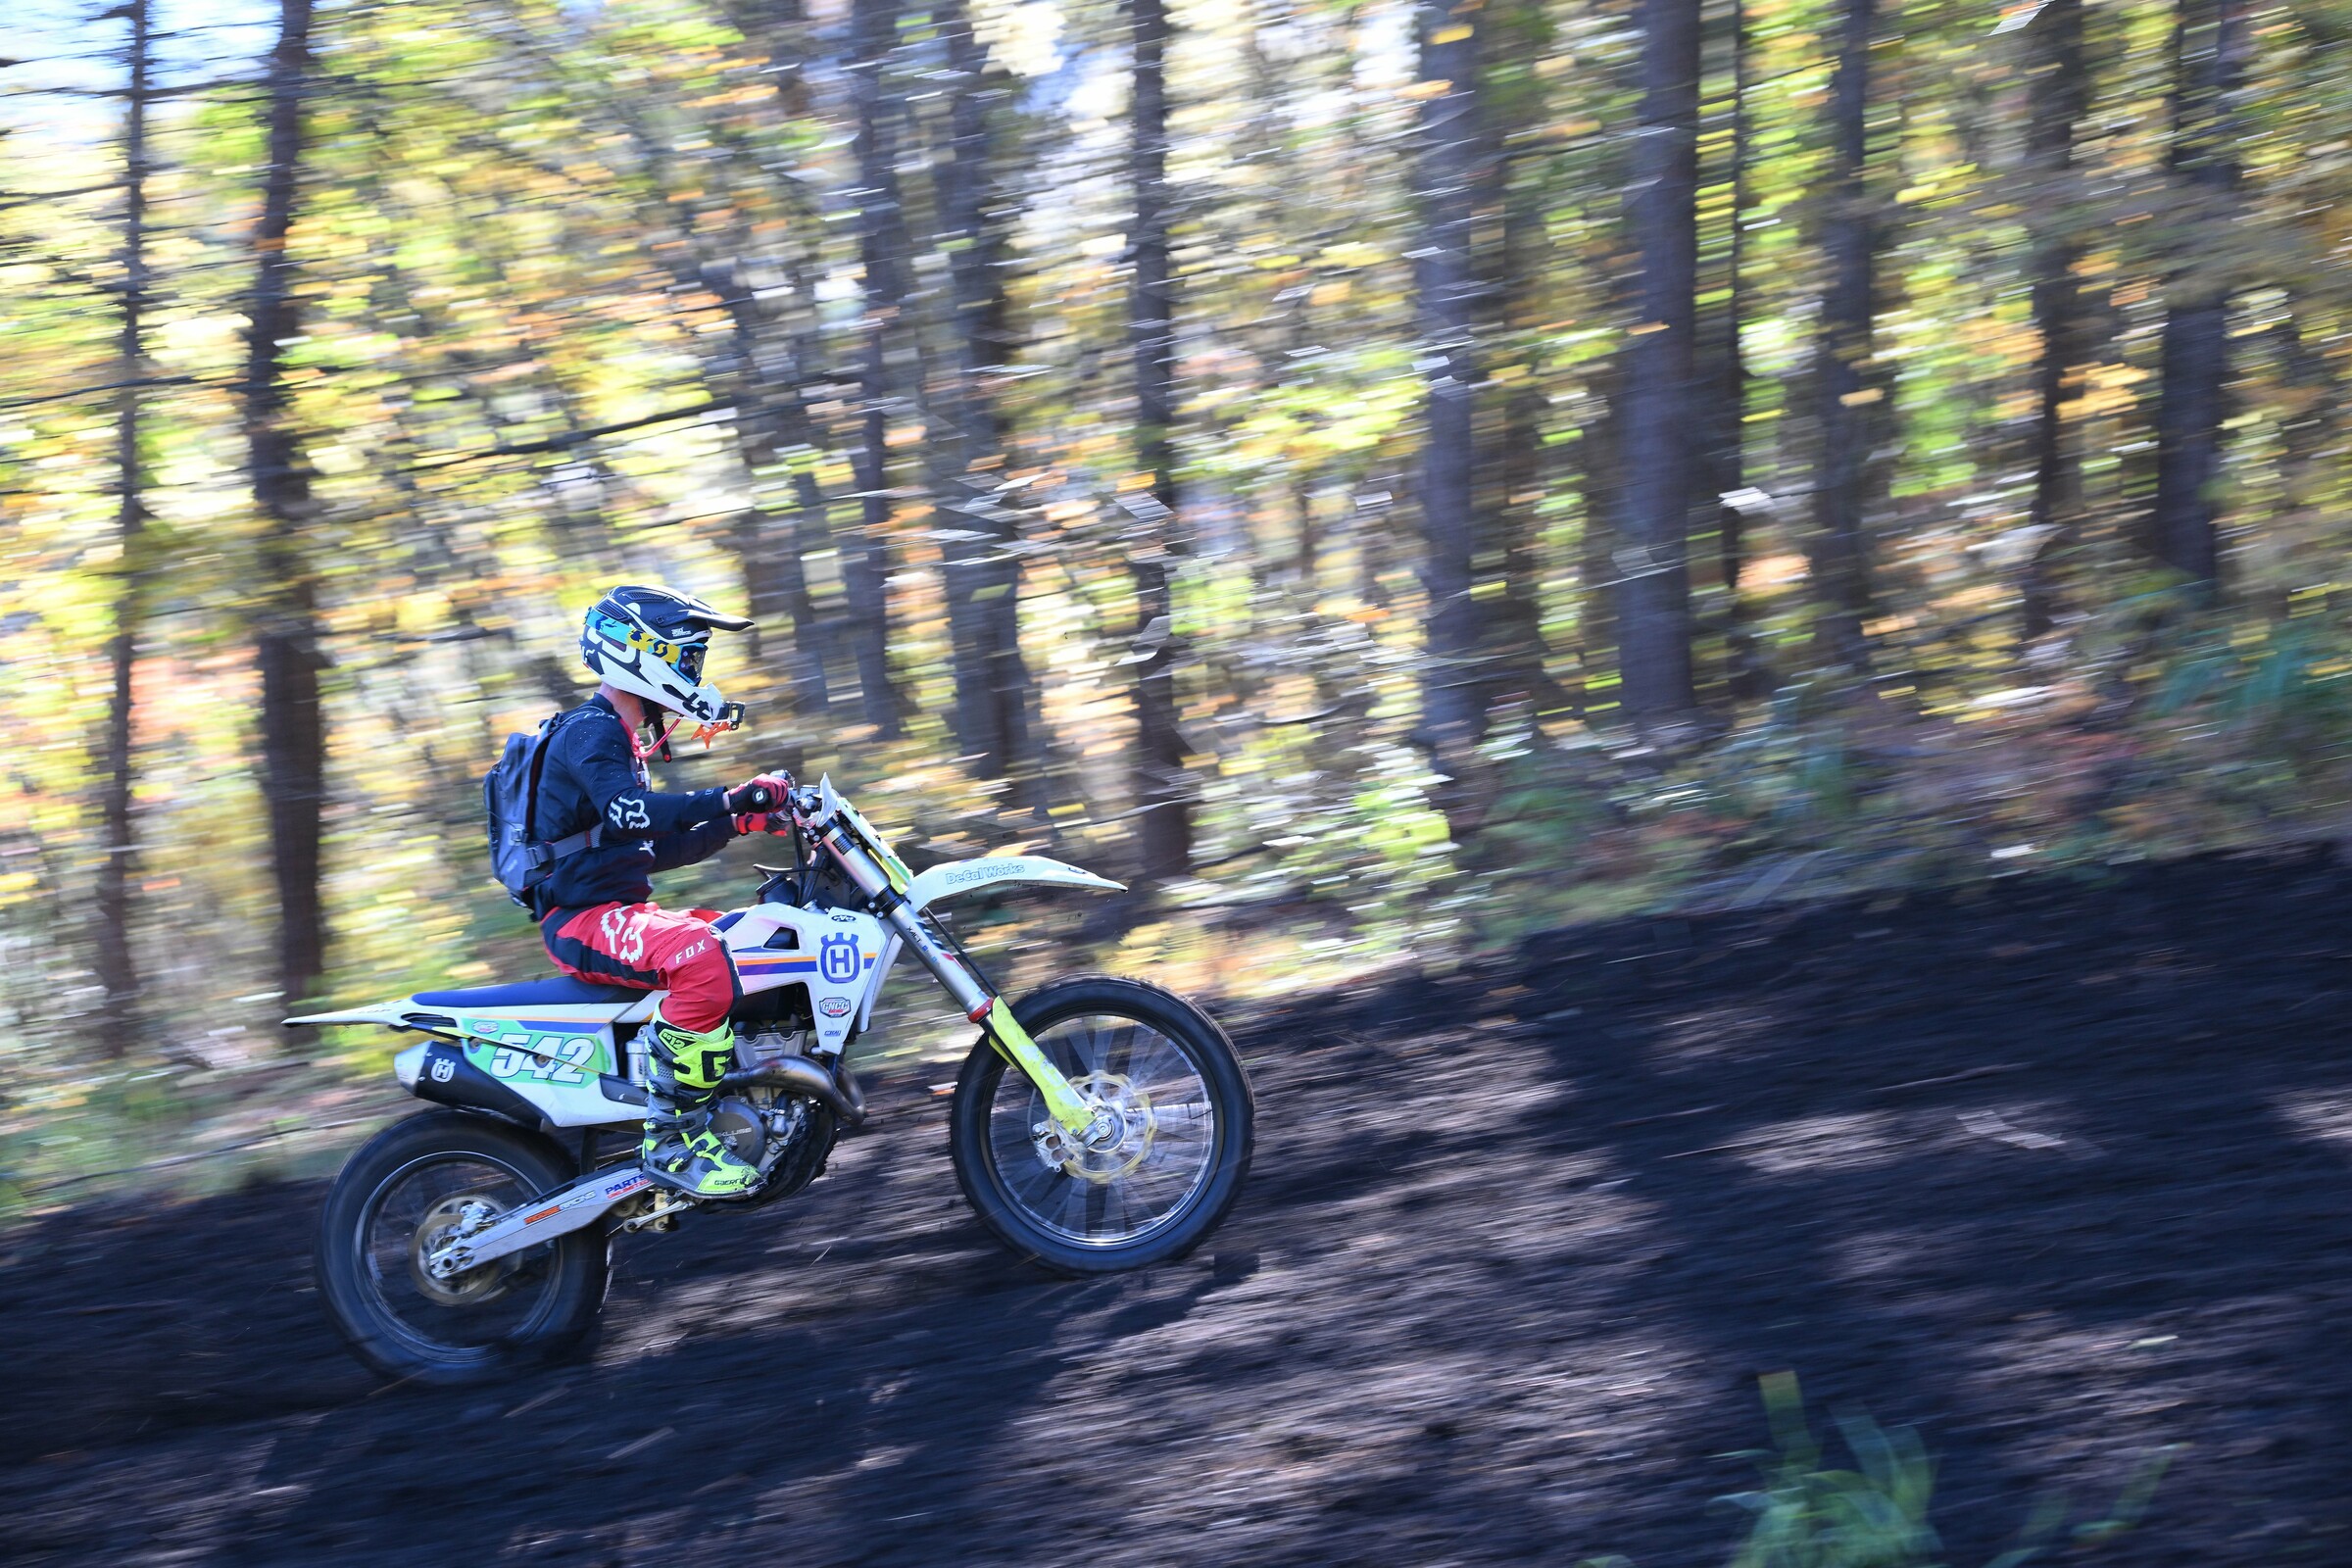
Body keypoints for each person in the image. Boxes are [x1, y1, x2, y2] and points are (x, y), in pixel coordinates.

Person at [528, 584, 793, 1199]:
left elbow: (652, 847)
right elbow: (629, 813)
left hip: (616, 910)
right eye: (689, 658)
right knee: (700, 956)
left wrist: (741, 821)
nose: (696, 673)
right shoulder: (589, 731)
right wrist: (731, 798)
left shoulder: (619, 741)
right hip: (581, 920)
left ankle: (752, 1094)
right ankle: (671, 1140)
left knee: (755, 936)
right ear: (642, 653)